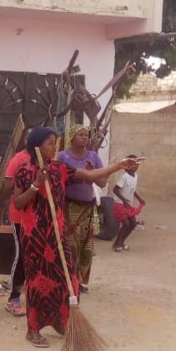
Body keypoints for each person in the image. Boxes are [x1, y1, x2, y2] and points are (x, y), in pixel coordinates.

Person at [14, 127, 137, 348]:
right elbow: (18, 203)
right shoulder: (24, 170)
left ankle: (60, 321)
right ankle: (33, 329)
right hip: (35, 236)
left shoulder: (59, 169)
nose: (54, 147)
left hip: (58, 234)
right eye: (50, 143)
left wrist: (119, 166)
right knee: (38, 282)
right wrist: (36, 185)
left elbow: (90, 176)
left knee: (68, 279)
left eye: (55, 143)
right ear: (37, 146)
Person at [58, 124, 104, 292]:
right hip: (69, 206)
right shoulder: (63, 156)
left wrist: (92, 174)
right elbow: (58, 180)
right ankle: (68, 280)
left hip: (87, 208)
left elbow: (102, 182)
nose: (85, 137)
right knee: (71, 245)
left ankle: (79, 281)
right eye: (81, 135)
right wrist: (79, 176)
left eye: (86, 135)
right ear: (72, 137)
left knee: (86, 245)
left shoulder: (93, 157)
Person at [1, 129, 31, 316]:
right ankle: (13, 298)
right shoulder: (18, 160)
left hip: (38, 217)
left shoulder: (45, 160)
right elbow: (7, 186)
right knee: (21, 256)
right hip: (20, 216)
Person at [112, 156, 145, 253]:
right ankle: (116, 244)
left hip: (128, 205)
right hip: (120, 204)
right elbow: (115, 189)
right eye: (132, 165)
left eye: (136, 165)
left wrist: (139, 199)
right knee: (126, 224)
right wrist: (124, 200)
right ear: (126, 167)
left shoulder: (135, 176)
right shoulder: (124, 177)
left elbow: (132, 190)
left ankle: (121, 242)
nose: (134, 167)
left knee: (133, 224)